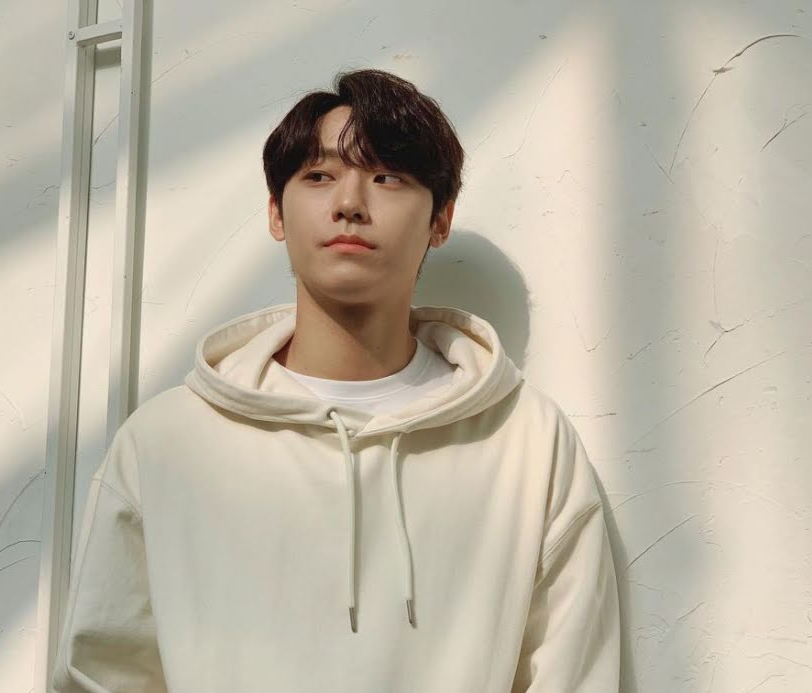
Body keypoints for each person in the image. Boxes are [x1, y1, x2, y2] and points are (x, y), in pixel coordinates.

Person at [51, 68, 621, 692]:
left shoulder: (526, 442)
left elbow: (576, 675)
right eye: (319, 175)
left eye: (388, 177)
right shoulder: (165, 444)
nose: (350, 203)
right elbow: (102, 674)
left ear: (441, 219)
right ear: (276, 212)